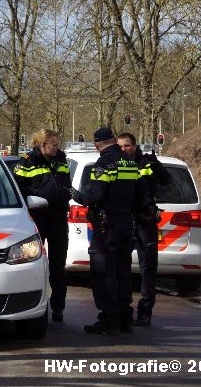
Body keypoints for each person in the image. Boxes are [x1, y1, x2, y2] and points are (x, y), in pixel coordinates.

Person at [71, 127, 137, 334]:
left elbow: (96, 196)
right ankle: (125, 317)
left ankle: (109, 319)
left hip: (107, 227)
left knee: (104, 273)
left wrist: (78, 196)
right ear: (114, 140)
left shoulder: (104, 163)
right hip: (127, 223)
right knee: (123, 272)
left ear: (97, 144)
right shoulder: (129, 161)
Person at [13, 129, 71, 322]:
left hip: (58, 217)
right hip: (37, 217)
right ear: (42, 145)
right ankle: (33, 305)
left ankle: (59, 307)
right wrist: (37, 192)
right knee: (34, 262)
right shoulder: (27, 162)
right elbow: (18, 188)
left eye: (57, 144)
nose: (57, 148)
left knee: (58, 264)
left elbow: (65, 184)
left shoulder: (61, 159)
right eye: (53, 145)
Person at [117, 132, 171, 326]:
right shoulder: (115, 163)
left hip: (145, 220)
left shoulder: (146, 163)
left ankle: (145, 312)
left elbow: (166, 181)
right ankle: (123, 310)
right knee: (120, 268)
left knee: (148, 268)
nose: (124, 149)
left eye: (127, 146)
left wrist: (157, 165)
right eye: (120, 146)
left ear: (134, 145)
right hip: (122, 220)